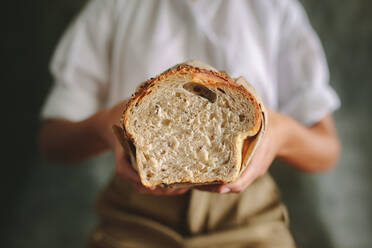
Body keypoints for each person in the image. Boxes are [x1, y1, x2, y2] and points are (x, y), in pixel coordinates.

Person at [38, 0, 341, 247]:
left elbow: (326, 148)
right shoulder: (112, 8)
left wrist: (280, 133)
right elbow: (53, 140)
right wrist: (105, 124)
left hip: (250, 223)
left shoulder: (275, 10)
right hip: (134, 222)